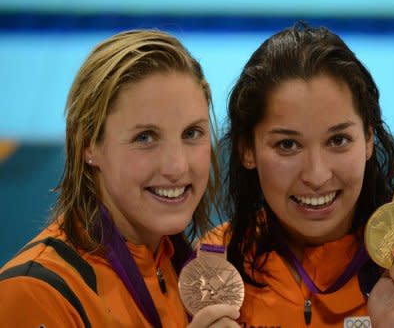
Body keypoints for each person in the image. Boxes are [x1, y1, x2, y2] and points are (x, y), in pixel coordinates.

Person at [204, 24, 394, 327]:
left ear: (368, 138)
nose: (317, 175)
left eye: (338, 140)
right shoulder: (211, 269)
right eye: (288, 144)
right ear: (247, 149)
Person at [0, 29, 239, 327]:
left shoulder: (190, 276)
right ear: (89, 145)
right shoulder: (36, 293)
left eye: (192, 133)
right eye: (146, 137)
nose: (177, 166)